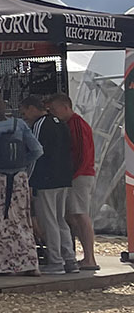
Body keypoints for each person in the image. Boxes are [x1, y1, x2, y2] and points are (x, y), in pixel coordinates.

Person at [0, 93, 42, 276]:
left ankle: (0, 265)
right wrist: (21, 164)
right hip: (19, 179)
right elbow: (37, 150)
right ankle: (29, 263)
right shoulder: (19, 124)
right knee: (20, 220)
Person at [20, 94, 77, 274]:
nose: (24, 117)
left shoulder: (39, 125)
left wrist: (28, 179)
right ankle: (70, 259)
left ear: (32, 108)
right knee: (60, 219)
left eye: (24, 113)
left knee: (49, 221)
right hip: (63, 178)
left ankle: (56, 261)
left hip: (46, 180)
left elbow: (36, 153)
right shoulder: (60, 123)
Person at [49, 92, 101, 270]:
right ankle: (86, 256)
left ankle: (90, 258)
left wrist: (71, 175)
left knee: (80, 214)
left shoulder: (77, 124)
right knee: (73, 215)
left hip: (79, 175)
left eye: (54, 109)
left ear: (65, 107)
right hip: (77, 174)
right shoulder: (70, 124)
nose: (53, 113)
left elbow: (81, 153)